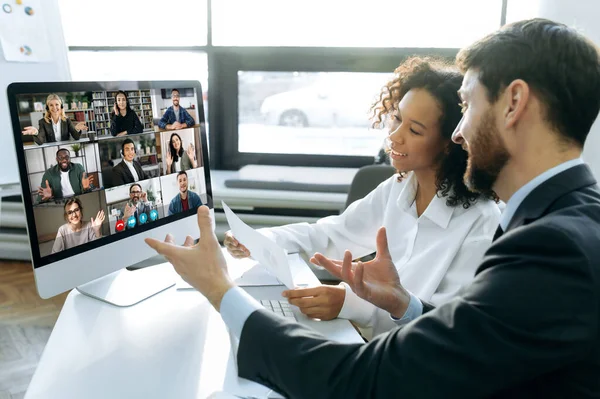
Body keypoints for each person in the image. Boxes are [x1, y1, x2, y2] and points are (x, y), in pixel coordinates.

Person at [146, 18, 600, 398]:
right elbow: (476, 345)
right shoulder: (564, 222)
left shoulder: (551, 247)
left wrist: (222, 292)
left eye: (467, 105)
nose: (460, 133)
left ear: (514, 102)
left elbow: (369, 380)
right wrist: (403, 304)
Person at [225, 57, 501, 337]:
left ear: (451, 141)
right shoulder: (399, 187)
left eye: (414, 130)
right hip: (371, 342)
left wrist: (350, 304)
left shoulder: (482, 222)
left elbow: (445, 328)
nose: (394, 136)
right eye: (397, 118)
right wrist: (259, 241)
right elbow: (332, 235)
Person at [22, 94, 88, 145]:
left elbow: (76, 137)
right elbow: (40, 141)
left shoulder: (67, 120)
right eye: (51, 105)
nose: (54, 107)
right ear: (48, 108)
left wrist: (77, 129)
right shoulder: (43, 122)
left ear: (61, 106)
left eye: (57, 104)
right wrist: (36, 133)